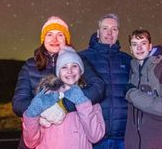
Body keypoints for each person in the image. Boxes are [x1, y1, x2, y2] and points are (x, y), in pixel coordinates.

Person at [12, 16, 105, 149]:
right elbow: (18, 103)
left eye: (60, 35)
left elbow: (97, 88)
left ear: (66, 39)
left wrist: (63, 105)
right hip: (38, 134)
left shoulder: (77, 61)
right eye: (50, 34)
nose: (54, 40)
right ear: (43, 38)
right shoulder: (30, 65)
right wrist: (41, 109)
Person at [22, 46, 105, 149]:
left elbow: (95, 136)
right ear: (58, 72)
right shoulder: (47, 96)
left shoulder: (90, 98)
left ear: (81, 70)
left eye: (74, 66)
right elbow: (31, 142)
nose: (69, 71)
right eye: (64, 67)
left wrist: (82, 102)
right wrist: (31, 114)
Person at [78, 13, 132, 149]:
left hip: (123, 136)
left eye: (114, 29)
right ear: (98, 32)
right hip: (94, 136)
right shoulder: (82, 58)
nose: (109, 33)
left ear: (118, 32)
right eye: (105, 28)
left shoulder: (128, 60)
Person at [124, 29, 162, 149]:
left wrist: (133, 95)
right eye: (135, 44)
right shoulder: (133, 71)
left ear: (150, 46)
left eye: (143, 43)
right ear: (130, 48)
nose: (139, 48)